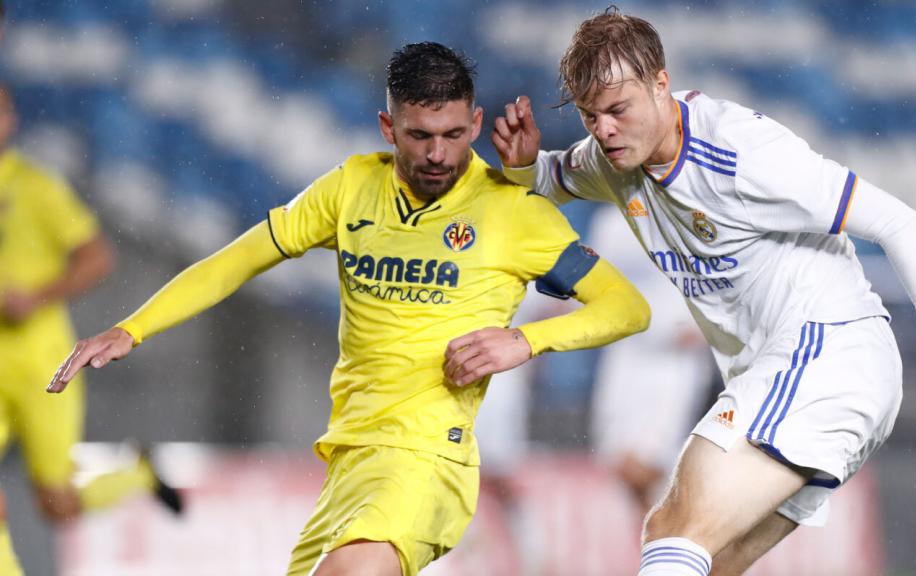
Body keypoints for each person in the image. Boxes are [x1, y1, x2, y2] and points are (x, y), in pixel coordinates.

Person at [49, 42, 650, 576]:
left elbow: (627, 308)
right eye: (420, 135)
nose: (439, 153)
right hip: (349, 459)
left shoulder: (514, 214)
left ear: (474, 123)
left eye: (452, 134)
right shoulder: (350, 188)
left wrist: (525, 342)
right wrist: (134, 328)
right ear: (389, 127)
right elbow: (239, 259)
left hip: (426, 459)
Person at [493, 8, 916, 576]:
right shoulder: (614, 157)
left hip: (827, 351)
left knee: (675, 523)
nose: (605, 130)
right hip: (806, 372)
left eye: (619, 110)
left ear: (661, 84)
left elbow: (900, 222)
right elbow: (552, 178)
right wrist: (522, 168)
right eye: (592, 118)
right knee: (704, 557)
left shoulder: (743, 153)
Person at [0, 84, 182, 575]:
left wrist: (35, 297)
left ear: (11, 120)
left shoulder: (35, 187)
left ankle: (136, 474)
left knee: (55, 504)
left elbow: (97, 257)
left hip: (39, 358)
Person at [586, 204, 713, 511]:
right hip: (626, 350)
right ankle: (662, 547)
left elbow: (728, 275)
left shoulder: (692, 213)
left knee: (650, 463)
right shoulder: (610, 220)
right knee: (619, 462)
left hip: (674, 356)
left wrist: (707, 325)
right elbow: (594, 279)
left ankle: (683, 542)